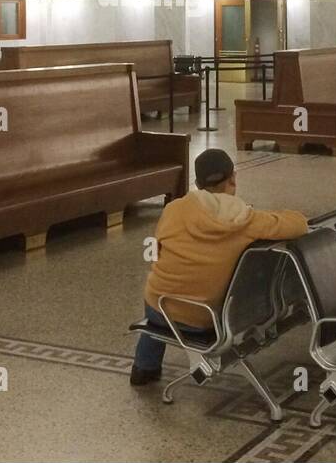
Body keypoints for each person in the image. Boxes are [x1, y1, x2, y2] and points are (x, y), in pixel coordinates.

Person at [131, 148, 308, 386]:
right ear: (233, 178)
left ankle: (145, 368)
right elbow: (299, 225)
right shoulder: (248, 221)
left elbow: (159, 256)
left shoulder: (174, 210)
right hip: (207, 318)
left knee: (156, 290)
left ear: (197, 183)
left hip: (161, 309)